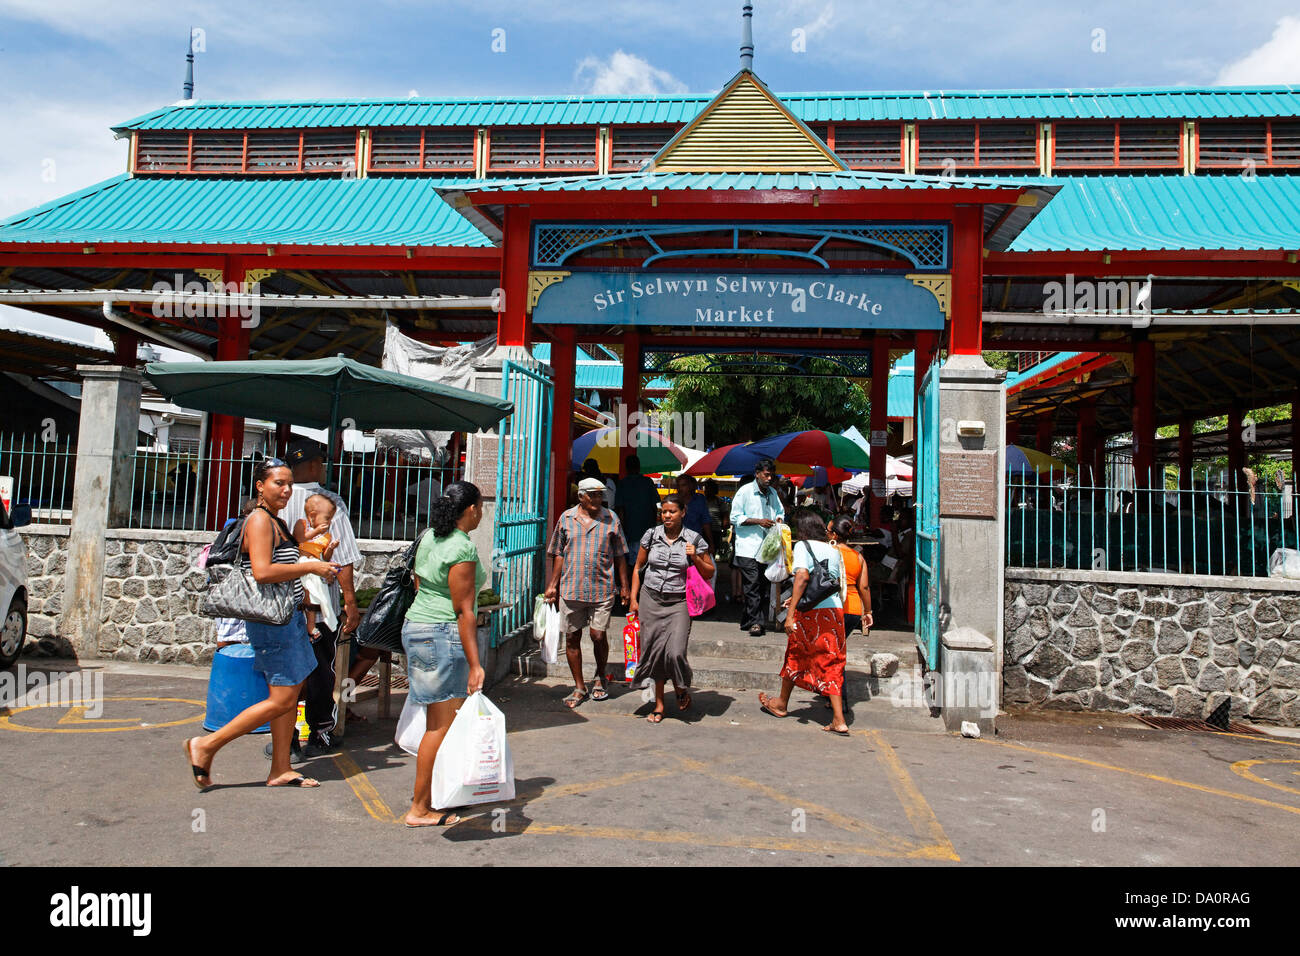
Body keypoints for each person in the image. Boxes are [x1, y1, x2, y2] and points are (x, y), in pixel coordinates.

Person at [184, 458, 341, 789]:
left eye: (289, 484)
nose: (285, 490)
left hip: (288, 618)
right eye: (278, 483)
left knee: (291, 691)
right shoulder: (258, 520)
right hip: (273, 624)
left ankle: (281, 768)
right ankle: (206, 745)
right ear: (260, 486)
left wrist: (316, 559)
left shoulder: (276, 521)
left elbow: (286, 561)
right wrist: (310, 569)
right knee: (282, 698)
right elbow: (263, 572)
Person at [400, 481, 487, 828]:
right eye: (480, 507)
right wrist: (476, 664)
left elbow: (420, 583)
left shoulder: (428, 537)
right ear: (471, 510)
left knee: (439, 722)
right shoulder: (462, 548)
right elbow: (464, 610)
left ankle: (436, 795)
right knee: (439, 726)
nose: (481, 513)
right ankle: (419, 808)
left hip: (417, 627)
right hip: (441, 633)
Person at [278, 439, 362, 758]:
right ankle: (321, 731)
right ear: (314, 465)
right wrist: (350, 604)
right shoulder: (328, 501)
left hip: (282, 601)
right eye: (322, 463)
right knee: (320, 669)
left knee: (287, 670)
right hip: (319, 603)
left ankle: (285, 736)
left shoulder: (276, 502)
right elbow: (344, 560)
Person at [757, 507, 850, 736]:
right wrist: (794, 601)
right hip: (834, 611)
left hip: (811, 615)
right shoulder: (834, 549)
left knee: (796, 653)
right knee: (832, 660)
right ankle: (838, 718)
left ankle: (781, 703)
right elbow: (828, 583)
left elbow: (802, 577)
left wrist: (790, 614)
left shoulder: (802, 546)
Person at [629, 493, 714, 723]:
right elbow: (638, 566)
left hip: (679, 602)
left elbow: (709, 571)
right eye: (664, 511)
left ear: (682, 513)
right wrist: (633, 598)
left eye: (672, 512)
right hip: (651, 599)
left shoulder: (693, 539)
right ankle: (658, 704)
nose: (667, 516)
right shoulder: (651, 535)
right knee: (655, 653)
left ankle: (680, 687)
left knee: (675, 651)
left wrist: (695, 557)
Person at [545, 477, 630, 708]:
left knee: (597, 635)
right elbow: (558, 553)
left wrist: (625, 587)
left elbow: (621, 554)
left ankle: (601, 676)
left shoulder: (611, 518)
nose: (597, 499)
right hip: (571, 588)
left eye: (600, 494)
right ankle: (579, 686)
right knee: (572, 637)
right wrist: (553, 584)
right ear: (580, 496)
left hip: (602, 589)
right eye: (592, 494)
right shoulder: (566, 518)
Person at [729, 458, 785, 636]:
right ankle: (756, 623)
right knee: (752, 585)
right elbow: (735, 517)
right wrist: (758, 521)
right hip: (747, 547)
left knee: (761, 585)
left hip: (767, 548)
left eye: (771, 475)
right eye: (766, 475)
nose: (769, 479)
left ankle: (747, 619)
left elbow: (780, 512)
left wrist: (777, 521)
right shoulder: (745, 492)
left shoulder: (772, 494)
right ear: (758, 474)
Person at [292, 493, 340, 641]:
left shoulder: (327, 536)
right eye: (327, 518)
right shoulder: (302, 524)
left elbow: (325, 557)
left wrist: (331, 548)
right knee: (308, 594)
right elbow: (299, 539)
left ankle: (311, 625)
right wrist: (316, 531)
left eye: (331, 519)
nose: (329, 522)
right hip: (300, 565)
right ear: (312, 515)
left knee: (313, 596)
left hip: (314, 569)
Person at [829, 514, 872, 637]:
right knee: (839, 645)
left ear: (834, 535)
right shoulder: (858, 557)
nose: (826, 534)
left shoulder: (827, 552)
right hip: (853, 609)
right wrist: (868, 612)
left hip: (831, 605)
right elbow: (864, 587)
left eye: (828, 531)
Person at [615, 454, 659, 571]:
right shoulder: (648, 482)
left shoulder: (623, 483)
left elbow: (621, 510)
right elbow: (656, 507)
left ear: (626, 468)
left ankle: (632, 586)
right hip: (648, 529)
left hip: (630, 531)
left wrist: (622, 531)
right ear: (639, 467)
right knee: (647, 563)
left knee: (632, 564)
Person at [674, 473, 716, 553]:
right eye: (678, 486)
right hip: (676, 542)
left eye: (683, 485)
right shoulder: (673, 500)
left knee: (693, 565)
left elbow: (706, 522)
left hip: (695, 542)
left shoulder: (700, 499)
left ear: (690, 486)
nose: (680, 488)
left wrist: (711, 543)